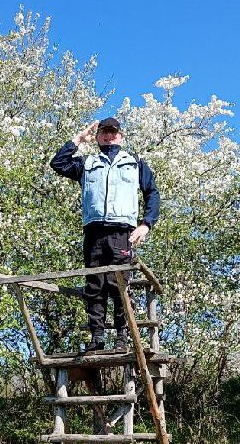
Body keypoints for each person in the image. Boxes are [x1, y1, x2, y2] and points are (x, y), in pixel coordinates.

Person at [50, 117, 160, 352]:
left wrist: (146, 224)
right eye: (104, 133)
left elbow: (152, 192)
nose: (109, 136)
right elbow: (58, 163)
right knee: (95, 286)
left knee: (119, 285)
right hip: (94, 232)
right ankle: (97, 337)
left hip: (123, 232)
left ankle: (122, 336)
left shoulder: (135, 163)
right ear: (98, 137)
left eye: (113, 132)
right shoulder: (87, 163)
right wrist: (80, 138)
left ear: (121, 136)